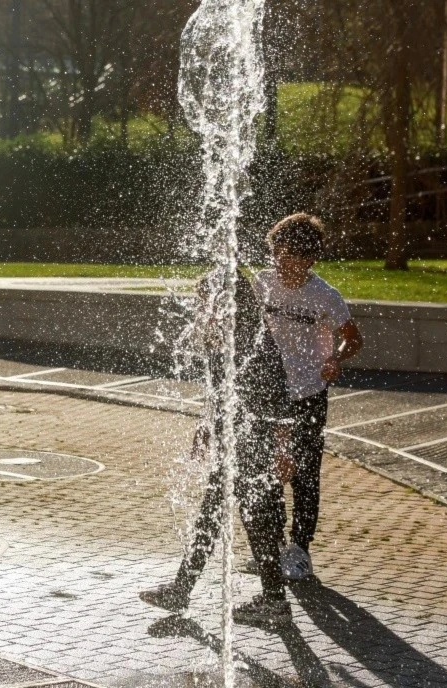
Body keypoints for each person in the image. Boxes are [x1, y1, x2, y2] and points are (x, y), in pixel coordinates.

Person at [140, 271, 296, 626]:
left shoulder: (254, 340)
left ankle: (272, 602)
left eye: (205, 299)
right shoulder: (219, 339)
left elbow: (280, 400)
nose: (200, 307)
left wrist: (282, 451)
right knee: (217, 516)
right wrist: (207, 424)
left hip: (254, 442)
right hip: (234, 441)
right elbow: (220, 392)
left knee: (254, 520)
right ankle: (184, 589)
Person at [253, 214, 363, 581]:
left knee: (304, 473)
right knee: (266, 468)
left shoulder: (325, 295)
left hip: (309, 393)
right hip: (269, 391)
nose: (282, 264)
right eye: (278, 254)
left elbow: (353, 338)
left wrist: (336, 357)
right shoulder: (261, 283)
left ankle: (299, 549)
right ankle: (269, 547)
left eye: (292, 257)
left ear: (310, 258)